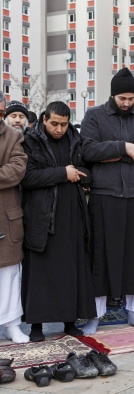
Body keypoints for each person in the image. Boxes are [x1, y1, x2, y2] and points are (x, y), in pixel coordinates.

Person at [79, 67, 134, 334]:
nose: (127, 103)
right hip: (105, 196)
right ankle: (95, 315)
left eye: (131, 98)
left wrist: (120, 153)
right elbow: (87, 149)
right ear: (113, 94)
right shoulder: (94, 115)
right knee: (100, 259)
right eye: (122, 98)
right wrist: (123, 147)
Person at [20, 102, 96, 341]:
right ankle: (36, 327)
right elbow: (28, 177)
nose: (59, 129)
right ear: (44, 119)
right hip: (42, 215)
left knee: (70, 269)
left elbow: (87, 170)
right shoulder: (30, 140)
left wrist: (78, 174)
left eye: (63, 124)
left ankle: (70, 322)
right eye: (54, 123)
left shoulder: (75, 138)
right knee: (40, 273)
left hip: (72, 214)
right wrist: (63, 173)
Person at [0, 92, 29, 344]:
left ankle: (12, 325)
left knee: (9, 272)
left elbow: (17, 169)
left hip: (6, 215)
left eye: (1, 112)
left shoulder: (13, 136)